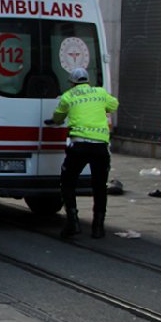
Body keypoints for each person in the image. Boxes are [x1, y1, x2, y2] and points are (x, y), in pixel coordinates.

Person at [46, 67, 119, 239]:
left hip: (79, 146)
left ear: (72, 82)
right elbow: (114, 105)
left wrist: (55, 121)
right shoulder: (100, 93)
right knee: (99, 186)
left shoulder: (68, 96)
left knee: (68, 183)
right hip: (100, 147)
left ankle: (73, 222)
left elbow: (58, 117)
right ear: (88, 80)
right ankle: (98, 228)